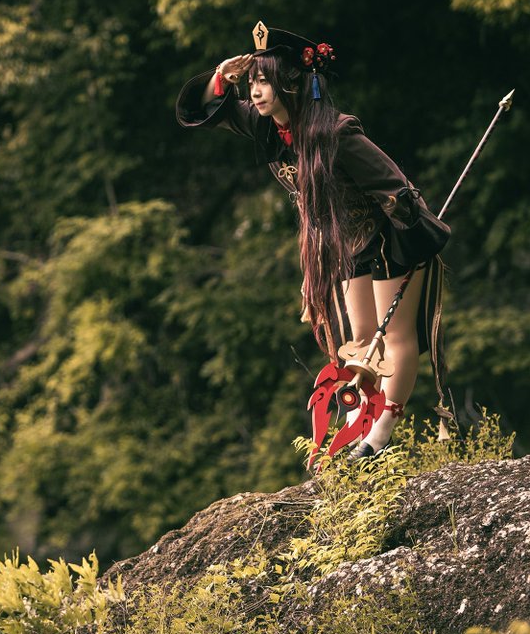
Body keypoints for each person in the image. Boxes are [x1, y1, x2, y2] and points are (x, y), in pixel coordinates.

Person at [175, 22, 450, 460]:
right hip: (345, 247)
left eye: (264, 82)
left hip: (388, 240)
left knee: (394, 339)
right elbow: (205, 111)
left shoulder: (338, 134)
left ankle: (380, 436)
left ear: (290, 83)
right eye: (252, 83)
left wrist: (413, 241)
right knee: (358, 343)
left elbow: (394, 186)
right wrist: (219, 78)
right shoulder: (269, 128)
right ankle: (359, 420)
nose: (255, 92)